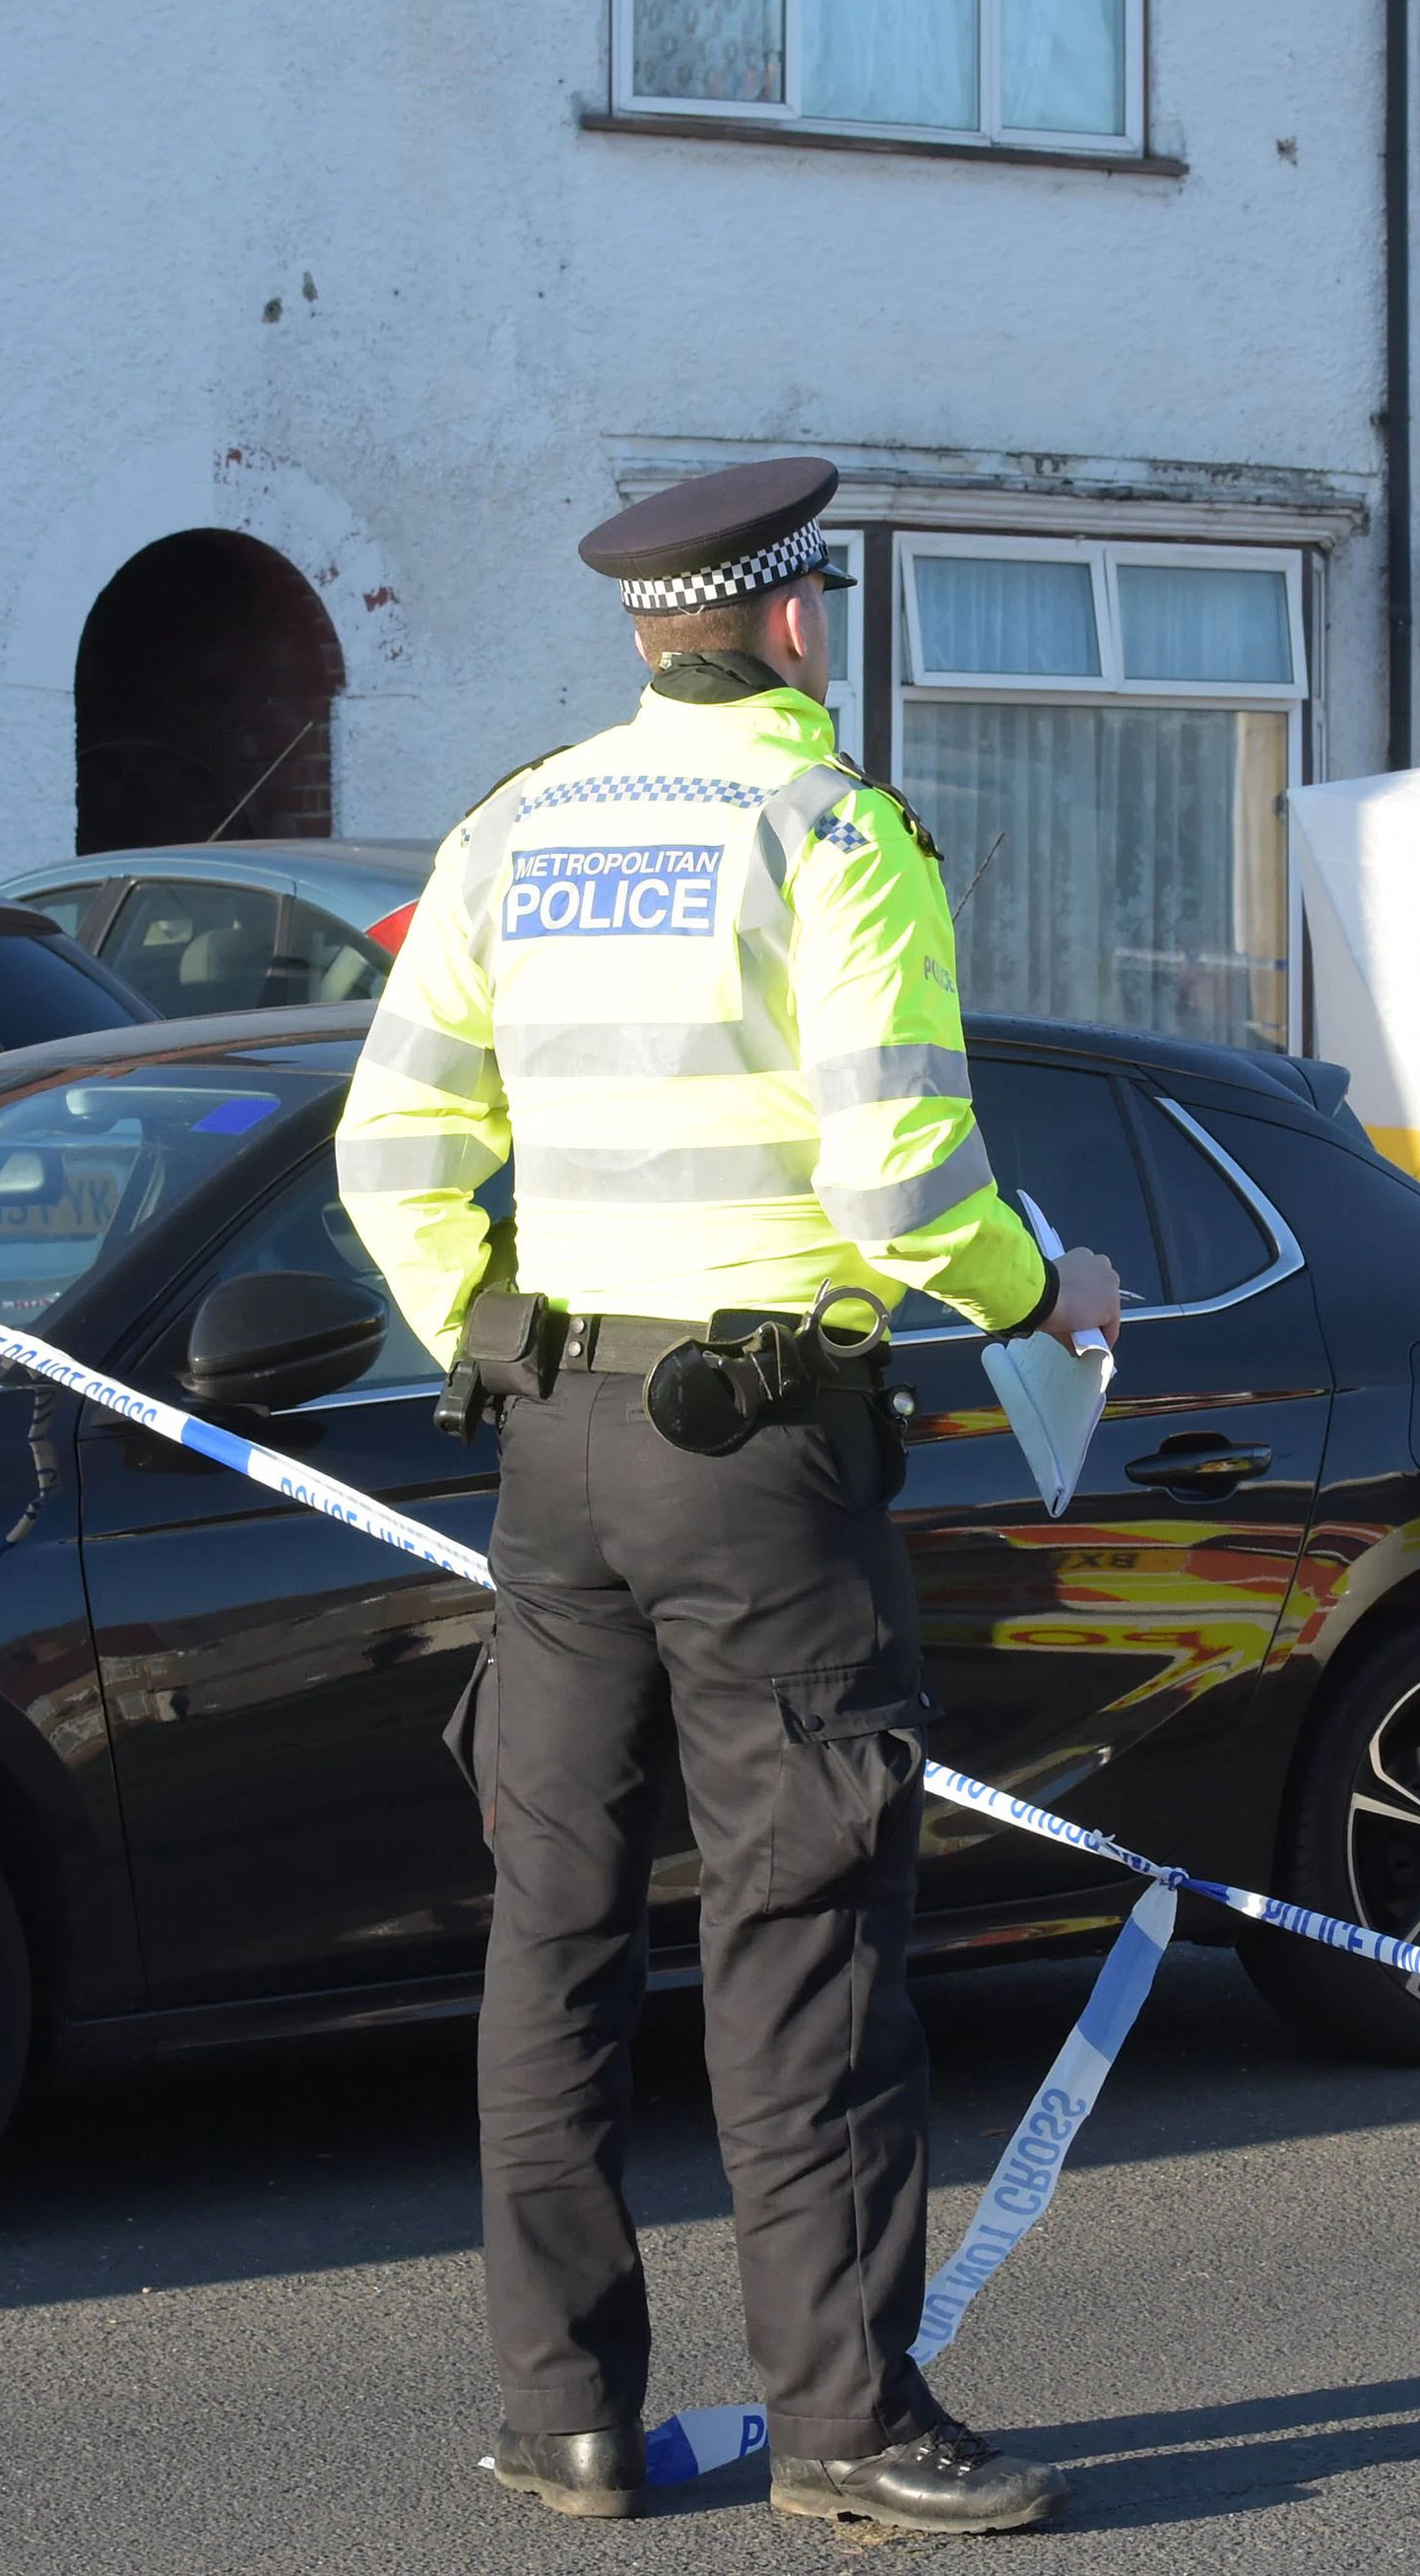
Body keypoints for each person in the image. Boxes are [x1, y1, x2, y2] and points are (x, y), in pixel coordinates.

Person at [336, 456, 1123, 2536]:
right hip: (762, 1462)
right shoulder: (827, 830)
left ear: (643, 632)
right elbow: (897, 1176)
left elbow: (389, 1140)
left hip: (555, 1445)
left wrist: (482, 1320)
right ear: (795, 620)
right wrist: (1042, 1288)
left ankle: (561, 2413)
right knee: (800, 1935)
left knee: (554, 1928)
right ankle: (843, 2419)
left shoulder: (515, 823)